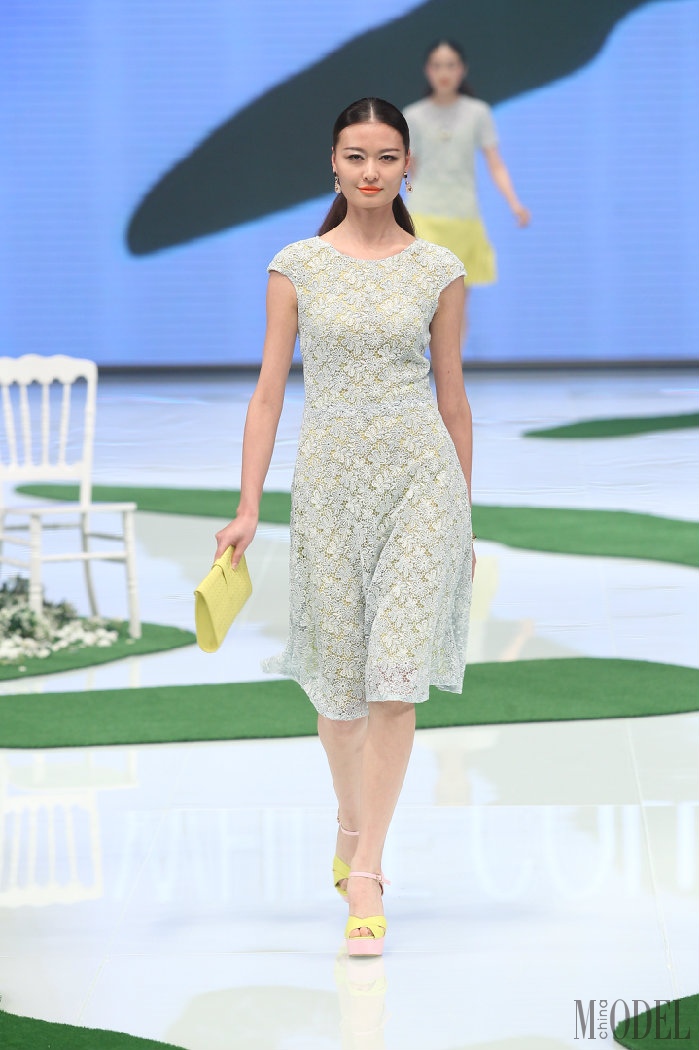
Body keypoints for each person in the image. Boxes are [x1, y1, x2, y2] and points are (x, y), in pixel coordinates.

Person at [214, 97, 474, 956]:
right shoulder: (296, 266)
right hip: (327, 490)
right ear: (333, 164)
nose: (371, 171)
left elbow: (452, 397)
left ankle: (367, 872)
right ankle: (350, 821)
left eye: (386, 156)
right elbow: (266, 395)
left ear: (408, 168)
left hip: (421, 486)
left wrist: (464, 519)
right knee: (339, 691)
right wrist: (247, 506)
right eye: (356, 156)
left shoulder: (438, 268)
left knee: (394, 681)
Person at [403, 40, 530, 345]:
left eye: (451, 65)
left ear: (462, 70)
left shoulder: (478, 113)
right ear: (427, 71)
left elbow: (495, 163)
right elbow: (408, 168)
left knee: (457, 303)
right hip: (423, 215)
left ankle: (451, 370)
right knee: (425, 302)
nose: (444, 72)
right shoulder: (413, 115)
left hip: (464, 215)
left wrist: (514, 203)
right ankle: (423, 368)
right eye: (437, 65)